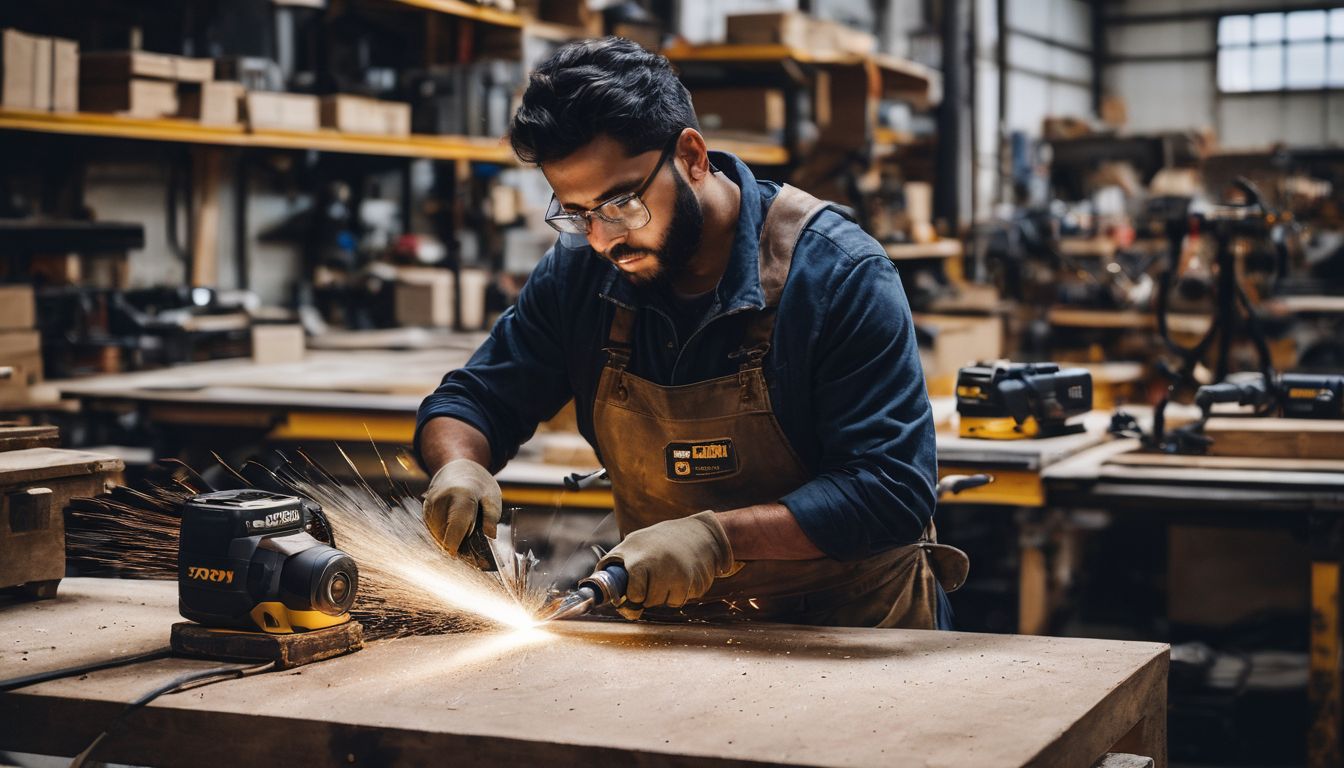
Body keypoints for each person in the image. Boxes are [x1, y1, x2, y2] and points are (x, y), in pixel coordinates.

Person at [416, 37, 959, 628]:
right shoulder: (581, 274)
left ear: (693, 157)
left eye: (620, 203)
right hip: (676, 632)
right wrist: (458, 466)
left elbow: (890, 492)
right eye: (576, 213)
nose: (602, 238)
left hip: (855, 634)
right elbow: (473, 400)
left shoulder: (837, 275)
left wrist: (716, 540)